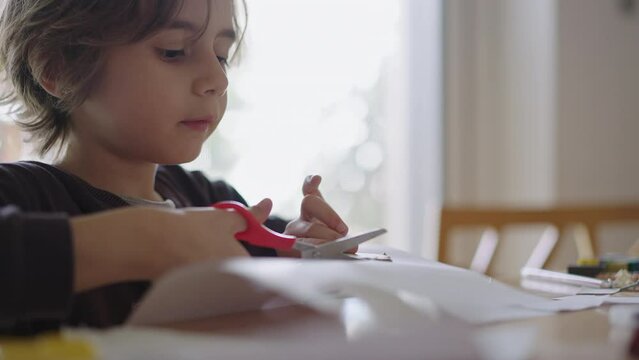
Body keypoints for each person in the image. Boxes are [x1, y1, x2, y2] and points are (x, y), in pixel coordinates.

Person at [0, 0, 349, 335]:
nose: (217, 78)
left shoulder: (214, 202)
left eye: (221, 56)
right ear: (56, 67)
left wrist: (303, 247)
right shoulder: (20, 197)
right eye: (173, 51)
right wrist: (144, 240)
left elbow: (288, 266)